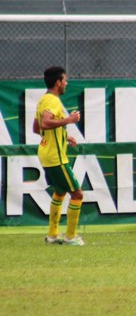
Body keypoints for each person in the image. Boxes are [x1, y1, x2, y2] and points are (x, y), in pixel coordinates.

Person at [33, 66, 85, 246]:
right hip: (56, 157)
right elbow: (46, 123)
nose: (66, 83)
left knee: (60, 191)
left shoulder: (42, 101)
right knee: (77, 194)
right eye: (64, 80)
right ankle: (70, 237)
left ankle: (52, 235)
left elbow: (36, 127)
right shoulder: (53, 101)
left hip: (46, 154)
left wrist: (64, 134)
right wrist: (69, 121)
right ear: (58, 83)